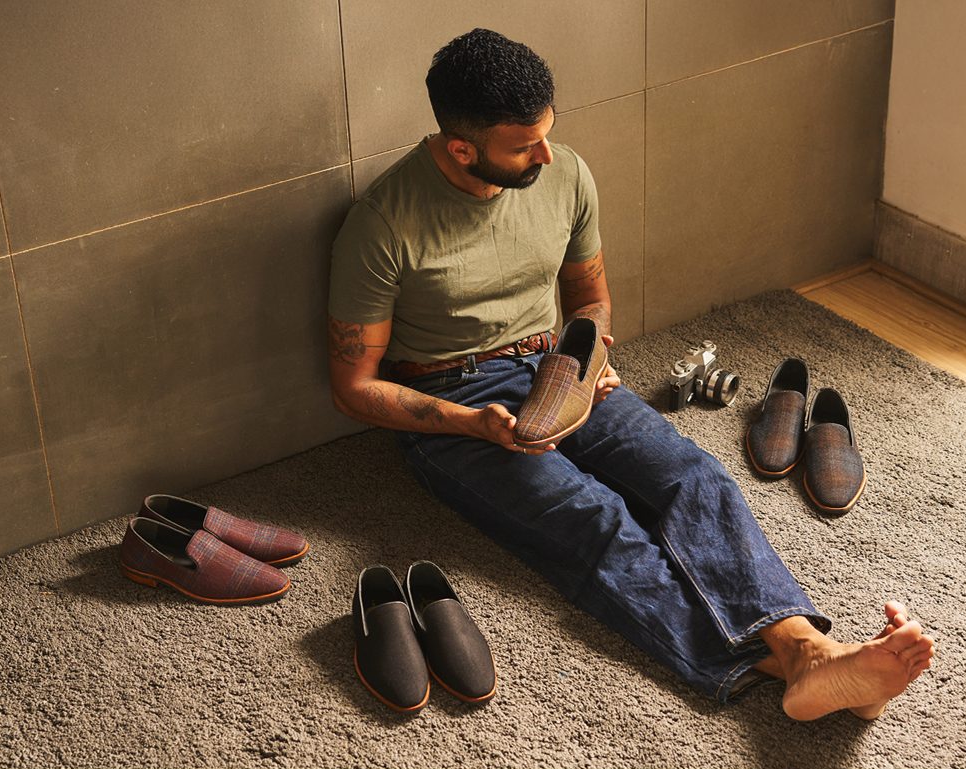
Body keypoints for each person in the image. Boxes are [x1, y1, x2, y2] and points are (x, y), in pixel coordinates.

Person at [325, 28, 934, 721]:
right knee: (596, 520)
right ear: (463, 148)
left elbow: (590, 299)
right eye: (525, 146)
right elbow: (353, 388)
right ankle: (798, 663)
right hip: (452, 400)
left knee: (694, 477)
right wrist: (471, 423)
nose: (546, 155)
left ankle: (808, 652)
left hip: (557, 367)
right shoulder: (382, 225)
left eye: (548, 134)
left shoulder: (563, 175)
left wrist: (590, 360)